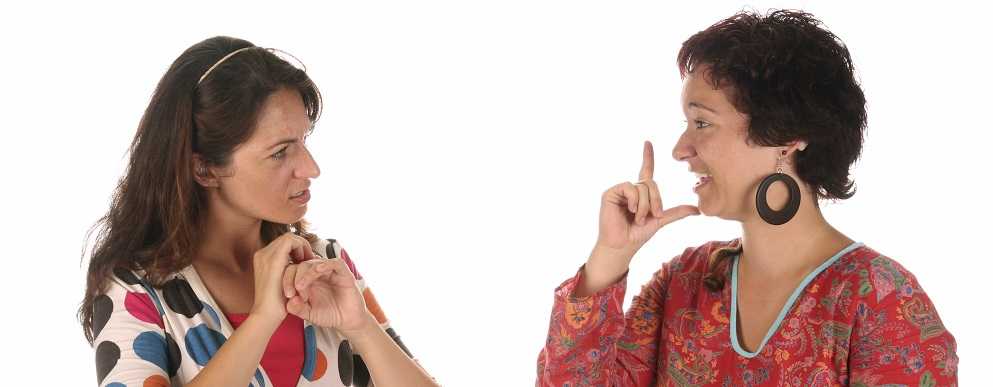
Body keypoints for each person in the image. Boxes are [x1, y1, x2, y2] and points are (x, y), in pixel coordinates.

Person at [536, 10, 957, 386]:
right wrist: (610, 257)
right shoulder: (684, 282)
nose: (680, 149)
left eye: (702, 122)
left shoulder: (882, 301)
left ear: (785, 137)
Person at [79, 36, 437, 387]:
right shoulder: (135, 292)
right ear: (204, 169)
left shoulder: (326, 264)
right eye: (280, 152)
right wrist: (262, 320)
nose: (310, 168)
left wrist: (362, 328)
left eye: (304, 140)